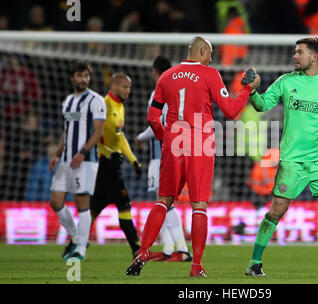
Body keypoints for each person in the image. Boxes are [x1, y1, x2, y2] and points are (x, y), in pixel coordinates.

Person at [126, 36, 257, 277]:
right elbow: (230, 111)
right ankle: (196, 266)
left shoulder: (166, 76)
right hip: (201, 143)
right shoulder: (210, 74)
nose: (212, 58)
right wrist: (248, 89)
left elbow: (152, 117)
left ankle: (143, 252)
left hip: (173, 142)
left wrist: (163, 137)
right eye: (211, 54)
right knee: (199, 206)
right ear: (203, 52)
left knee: (163, 201)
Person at [245, 37, 318, 277]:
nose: (294, 56)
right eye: (295, 52)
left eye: (300, 52)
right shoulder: (286, 81)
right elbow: (262, 105)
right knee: (276, 211)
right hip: (292, 161)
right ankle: (254, 263)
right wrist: (252, 90)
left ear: (315, 56)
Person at [134, 56, 192, 262]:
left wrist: (139, 138)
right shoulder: (179, 92)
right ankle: (168, 248)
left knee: (164, 203)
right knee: (163, 203)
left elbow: (156, 123)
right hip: (175, 153)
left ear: (154, 72)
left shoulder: (158, 92)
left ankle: (182, 249)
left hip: (161, 156)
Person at [49, 61, 106, 261]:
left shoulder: (96, 101)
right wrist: (56, 154)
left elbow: (98, 132)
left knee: (82, 202)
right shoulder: (68, 102)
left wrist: (82, 152)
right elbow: (67, 132)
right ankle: (76, 236)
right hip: (66, 160)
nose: (83, 79)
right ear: (72, 78)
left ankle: (80, 250)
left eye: (86, 76)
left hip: (86, 160)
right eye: (79, 75)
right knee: (55, 201)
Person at [90, 73, 143, 258]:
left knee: (96, 206)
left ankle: (75, 244)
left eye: (129, 87)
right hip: (104, 163)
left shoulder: (120, 107)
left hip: (114, 163)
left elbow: (120, 138)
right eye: (125, 87)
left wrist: (134, 160)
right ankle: (137, 248)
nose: (128, 91)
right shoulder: (104, 105)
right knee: (124, 204)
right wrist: (108, 153)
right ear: (113, 86)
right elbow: (94, 134)